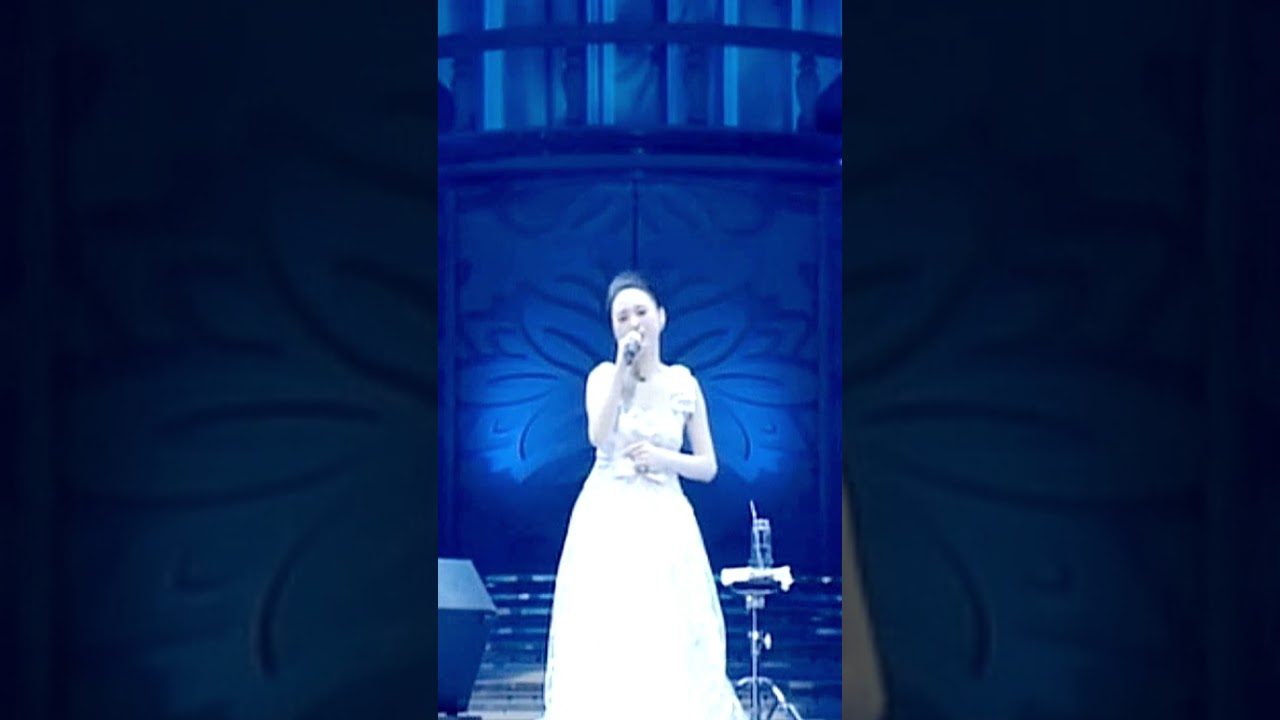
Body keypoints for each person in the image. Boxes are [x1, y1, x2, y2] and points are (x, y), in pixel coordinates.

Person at [540, 272, 746, 720]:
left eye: (641, 312)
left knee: (668, 629)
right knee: (609, 630)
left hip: (666, 519)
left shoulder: (684, 384)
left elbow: (708, 465)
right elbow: (598, 435)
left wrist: (663, 458)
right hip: (608, 517)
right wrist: (621, 367)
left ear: (661, 317)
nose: (633, 322)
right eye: (622, 317)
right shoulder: (602, 377)